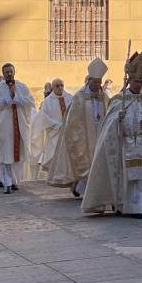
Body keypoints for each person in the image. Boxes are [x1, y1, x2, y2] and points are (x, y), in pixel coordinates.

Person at [83, 50, 142, 217]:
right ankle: (122, 205)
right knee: (126, 178)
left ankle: (137, 207)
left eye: (140, 81)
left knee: (140, 178)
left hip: (141, 144)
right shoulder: (119, 100)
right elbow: (107, 125)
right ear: (129, 81)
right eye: (135, 81)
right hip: (124, 144)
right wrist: (117, 120)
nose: (139, 84)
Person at [48, 59, 109, 199]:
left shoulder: (104, 97)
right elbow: (72, 120)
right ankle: (83, 189)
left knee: (97, 162)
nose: (98, 85)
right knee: (86, 161)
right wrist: (78, 134)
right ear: (89, 81)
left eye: (100, 82)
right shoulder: (79, 97)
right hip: (84, 136)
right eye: (95, 82)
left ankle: (88, 189)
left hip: (100, 134)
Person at [0, 63, 36, 194]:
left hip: (20, 125)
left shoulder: (22, 86)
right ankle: (7, 182)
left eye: (10, 71)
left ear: (14, 72)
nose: (9, 74)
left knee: (17, 154)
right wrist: (5, 100)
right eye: (6, 72)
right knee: (6, 154)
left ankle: (15, 181)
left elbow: (30, 101)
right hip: (5, 126)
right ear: (3, 74)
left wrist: (17, 98)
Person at [32, 77, 72, 178]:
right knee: (55, 154)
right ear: (53, 88)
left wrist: (69, 124)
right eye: (57, 86)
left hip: (68, 131)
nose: (60, 88)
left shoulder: (70, 98)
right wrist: (57, 126)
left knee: (68, 153)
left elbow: (74, 113)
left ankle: (67, 174)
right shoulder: (47, 101)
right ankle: (55, 175)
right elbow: (44, 117)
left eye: (61, 85)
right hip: (55, 133)